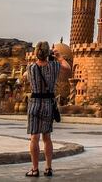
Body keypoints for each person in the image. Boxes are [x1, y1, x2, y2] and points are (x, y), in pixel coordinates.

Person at [23, 41, 71, 177]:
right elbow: (67, 68)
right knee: (47, 138)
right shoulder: (54, 66)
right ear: (48, 53)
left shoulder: (31, 68)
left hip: (34, 103)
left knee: (34, 138)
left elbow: (24, 78)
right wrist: (60, 57)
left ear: (36, 53)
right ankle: (48, 168)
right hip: (48, 104)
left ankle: (34, 169)